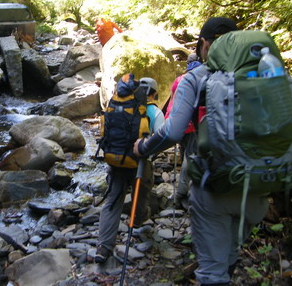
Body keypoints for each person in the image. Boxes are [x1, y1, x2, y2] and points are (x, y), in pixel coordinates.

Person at [133, 17, 269, 286]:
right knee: (230, 251)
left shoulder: (195, 77)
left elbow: (172, 132)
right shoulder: (263, 74)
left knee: (211, 271)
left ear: (203, 44)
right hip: (259, 183)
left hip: (215, 185)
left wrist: (144, 148)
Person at [95, 77, 165, 263]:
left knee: (113, 199)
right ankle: (137, 222)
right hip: (139, 162)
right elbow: (162, 140)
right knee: (141, 192)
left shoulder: (118, 105)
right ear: (153, 93)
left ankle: (103, 246)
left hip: (116, 160)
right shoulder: (154, 112)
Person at [164, 53, 201, 210]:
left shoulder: (179, 79)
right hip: (190, 124)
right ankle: (181, 194)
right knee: (190, 158)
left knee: (185, 150)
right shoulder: (197, 78)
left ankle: (182, 187)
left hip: (174, 122)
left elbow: (172, 99)